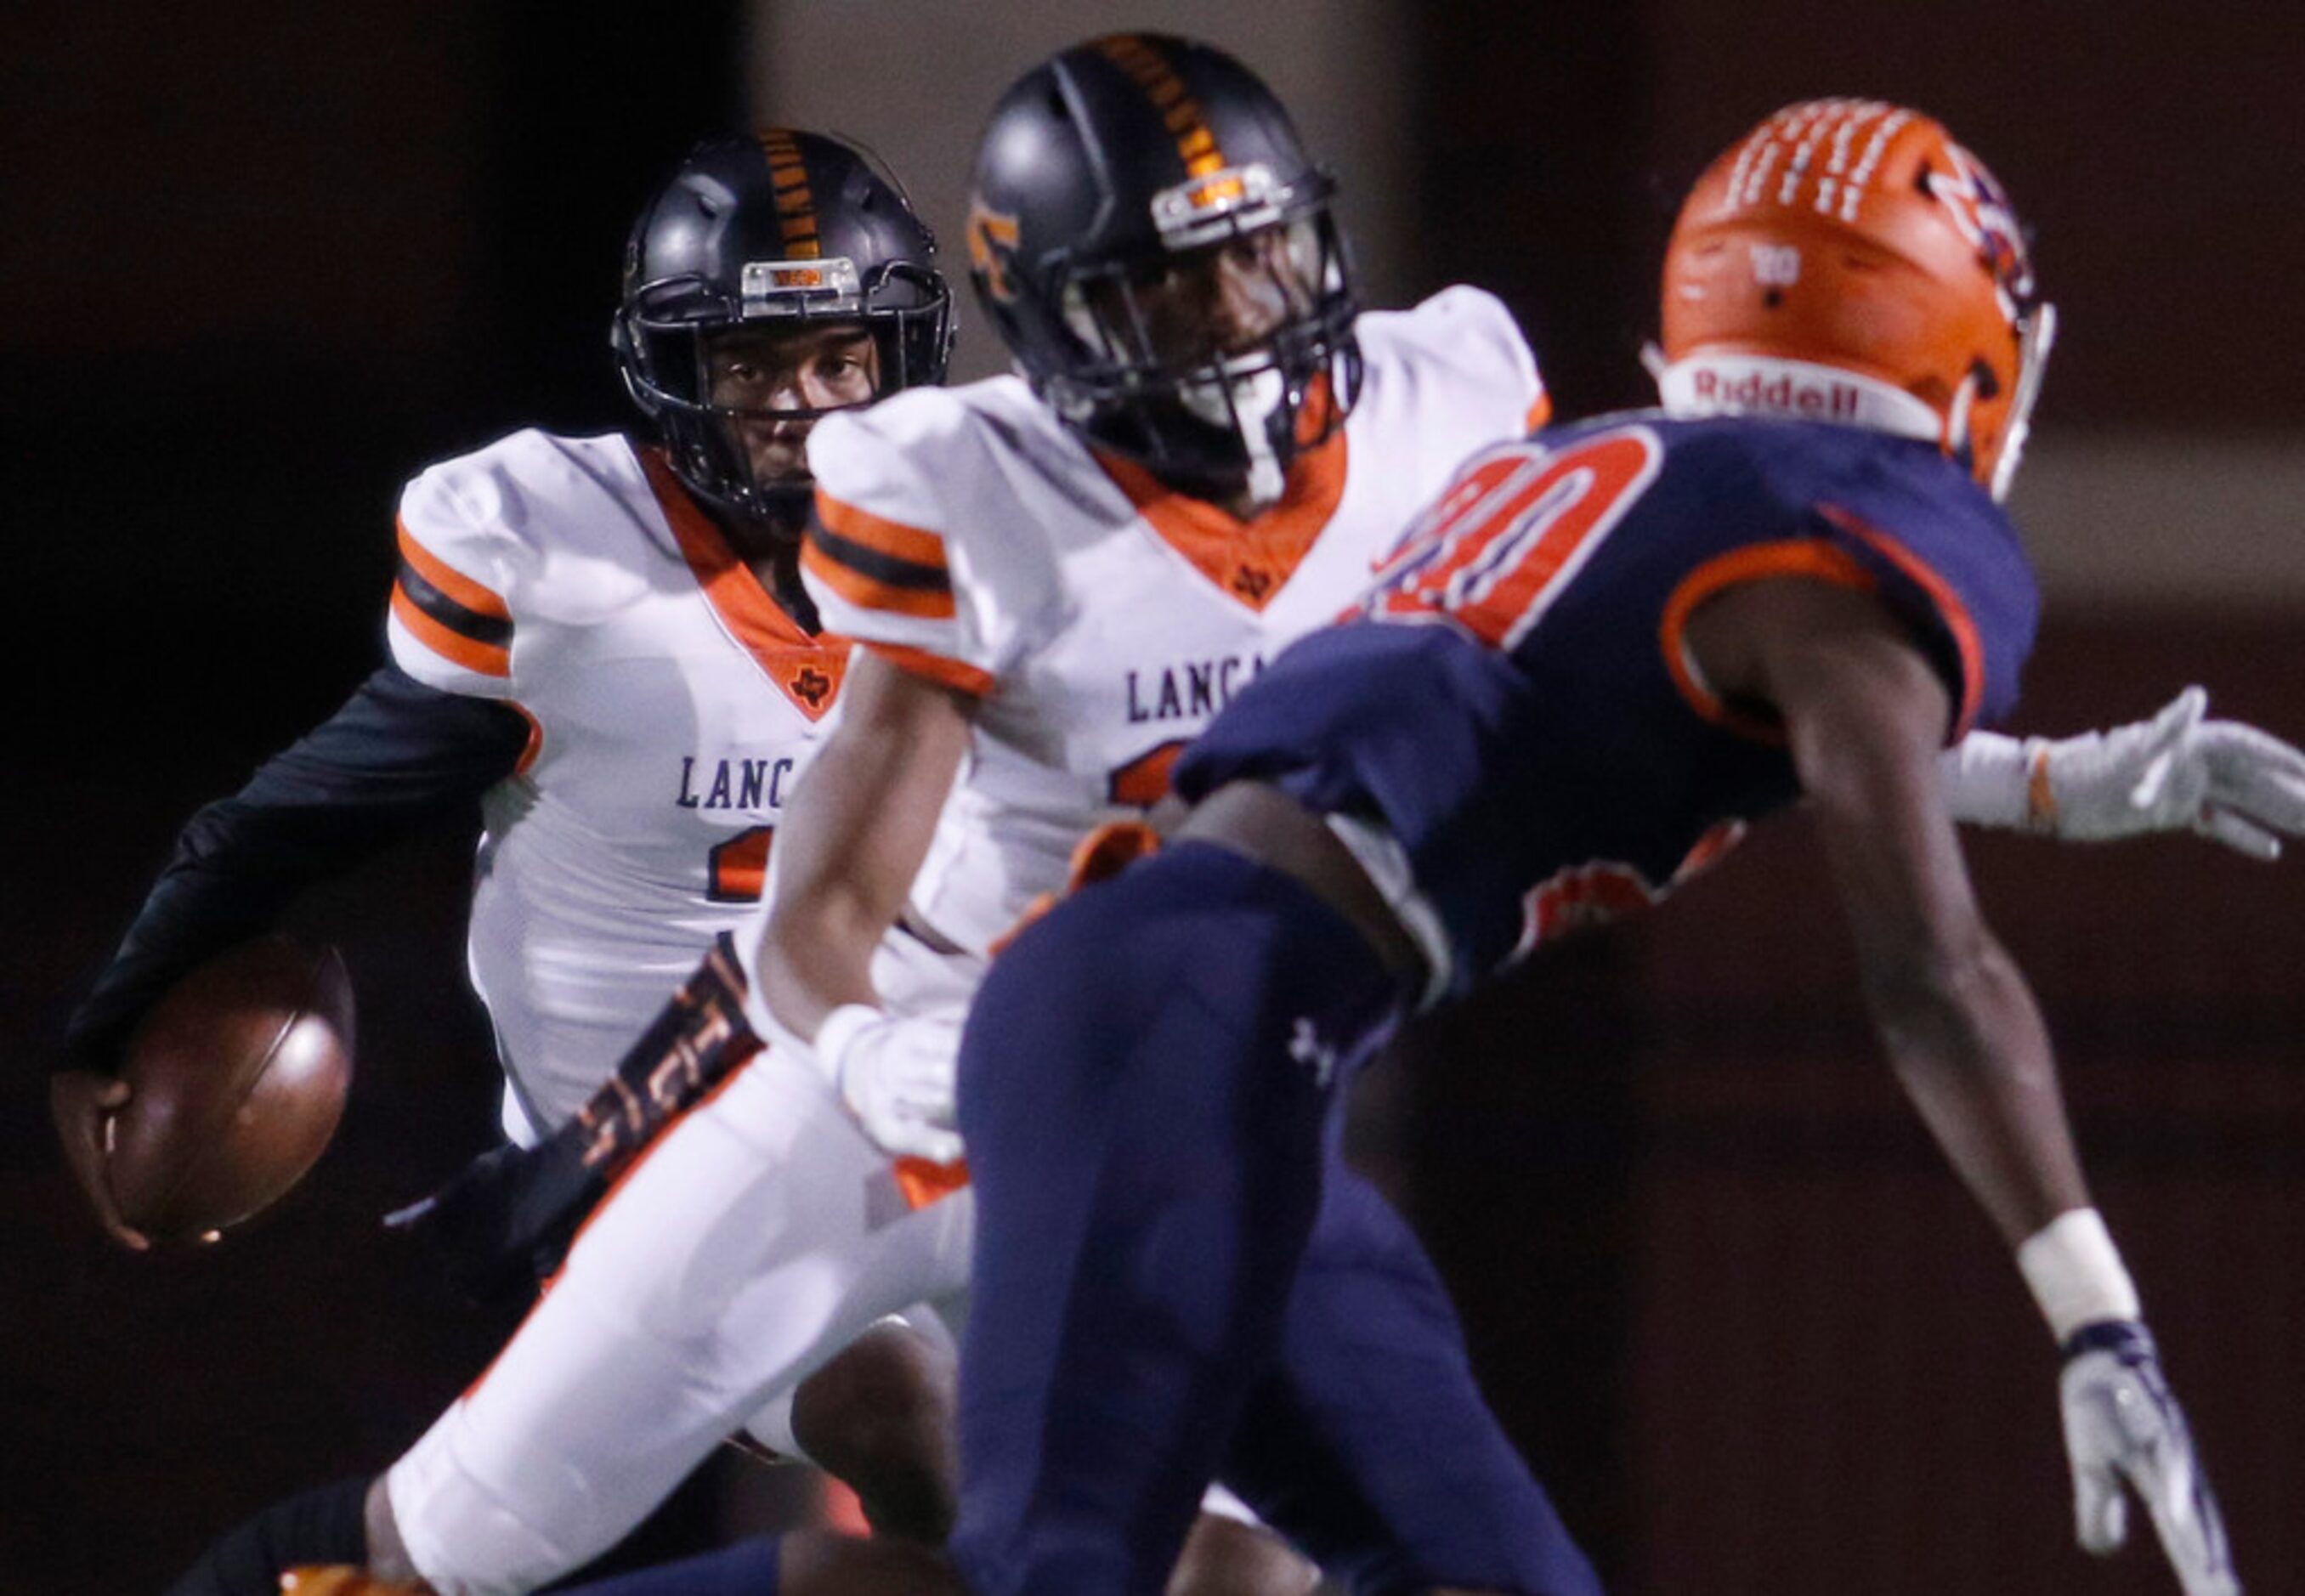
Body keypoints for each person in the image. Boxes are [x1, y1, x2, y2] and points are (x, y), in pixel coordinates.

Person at [286, 48, 2298, 1596]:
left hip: (1205, 1059)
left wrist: (2032, 781)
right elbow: (1910, 934)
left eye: (1260, 255)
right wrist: (2094, 1308)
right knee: (479, 1537)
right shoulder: (968, 486)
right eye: (1173, 290)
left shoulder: (1476, 436)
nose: (1243, 316)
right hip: (924, 1072)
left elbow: (1675, 705)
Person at [921, 98, 2248, 1594]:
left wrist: (2045, 783)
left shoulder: (1602, 474)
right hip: (1189, 1027)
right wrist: (2096, 1311)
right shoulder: (1857, 539)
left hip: (1204, 1025)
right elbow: (1933, 967)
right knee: (1057, 1573)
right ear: (1971, 359)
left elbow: (1716, 701)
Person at [63, 128, 977, 1582]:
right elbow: (296, 818)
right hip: (651, 1148)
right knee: (921, 1427)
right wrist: (111, 1021)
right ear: (676, 374)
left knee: (1194, 1484)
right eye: (749, 365)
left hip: (920, 1108)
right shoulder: (565, 573)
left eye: (839, 358)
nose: (803, 408)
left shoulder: (988, 532)